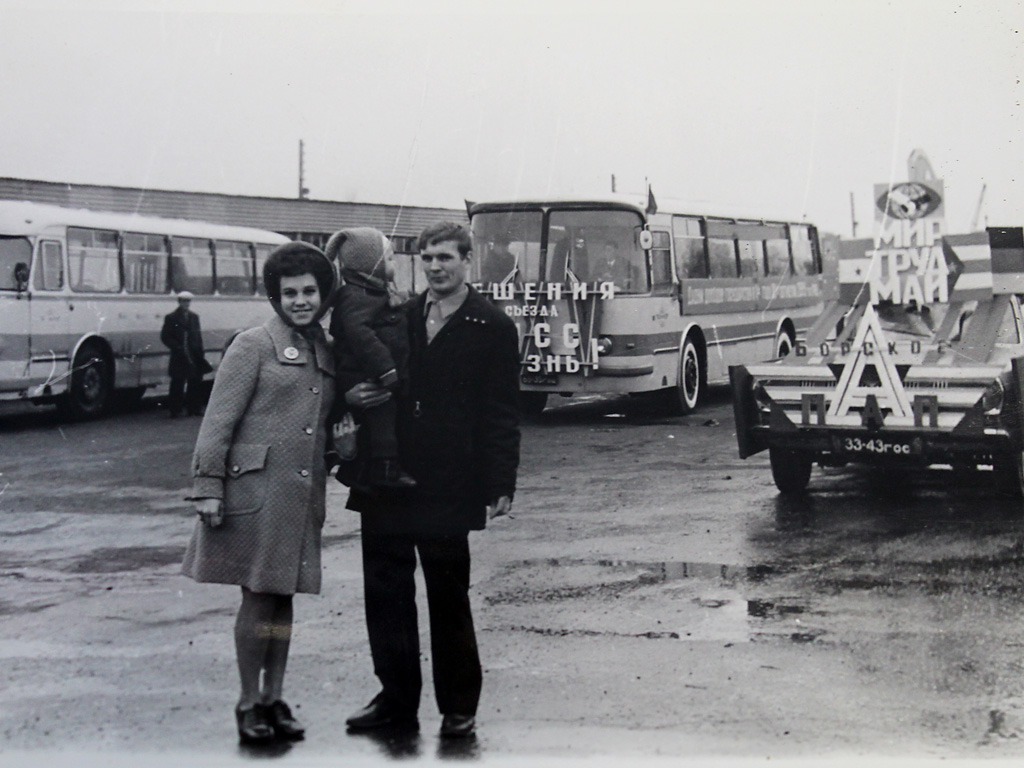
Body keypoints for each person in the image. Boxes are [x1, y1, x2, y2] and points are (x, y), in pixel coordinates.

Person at [341, 221, 521, 739]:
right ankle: (395, 700)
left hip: (449, 482)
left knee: (448, 596)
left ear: (468, 262)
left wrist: (500, 482)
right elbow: (351, 365)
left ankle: (459, 706)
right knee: (386, 594)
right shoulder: (396, 313)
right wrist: (354, 397)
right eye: (428, 258)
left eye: (446, 257)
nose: (436, 267)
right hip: (386, 476)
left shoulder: (492, 326)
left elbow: (501, 413)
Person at [181, 242, 338, 745]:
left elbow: (318, 430)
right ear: (275, 297)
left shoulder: (325, 350)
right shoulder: (251, 345)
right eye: (289, 292)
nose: (300, 300)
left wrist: (343, 445)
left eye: (309, 291)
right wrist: (207, 487)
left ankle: (274, 697)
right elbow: (217, 422)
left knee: (282, 599)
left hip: (300, 497)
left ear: (322, 293)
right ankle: (249, 702)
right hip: (253, 494)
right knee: (258, 598)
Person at [326, 227, 416, 489]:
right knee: (382, 418)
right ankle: (385, 470)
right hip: (366, 375)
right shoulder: (356, 296)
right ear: (370, 265)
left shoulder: (375, 292)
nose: (394, 263)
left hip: (378, 374)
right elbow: (361, 336)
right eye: (388, 259)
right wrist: (386, 369)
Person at [160, 291, 211, 417]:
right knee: (178, 382)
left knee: (195, 382)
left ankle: (193, 408)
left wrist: (200, 351)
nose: (186, 304)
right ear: (179, 302)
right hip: (180, 354)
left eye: (188, 301)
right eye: (183, 301)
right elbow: (165, 336)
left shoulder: (194, 317)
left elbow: (198, 336)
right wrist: (177, 347)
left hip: (194, 354)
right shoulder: (171, 317)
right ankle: (175, 410)